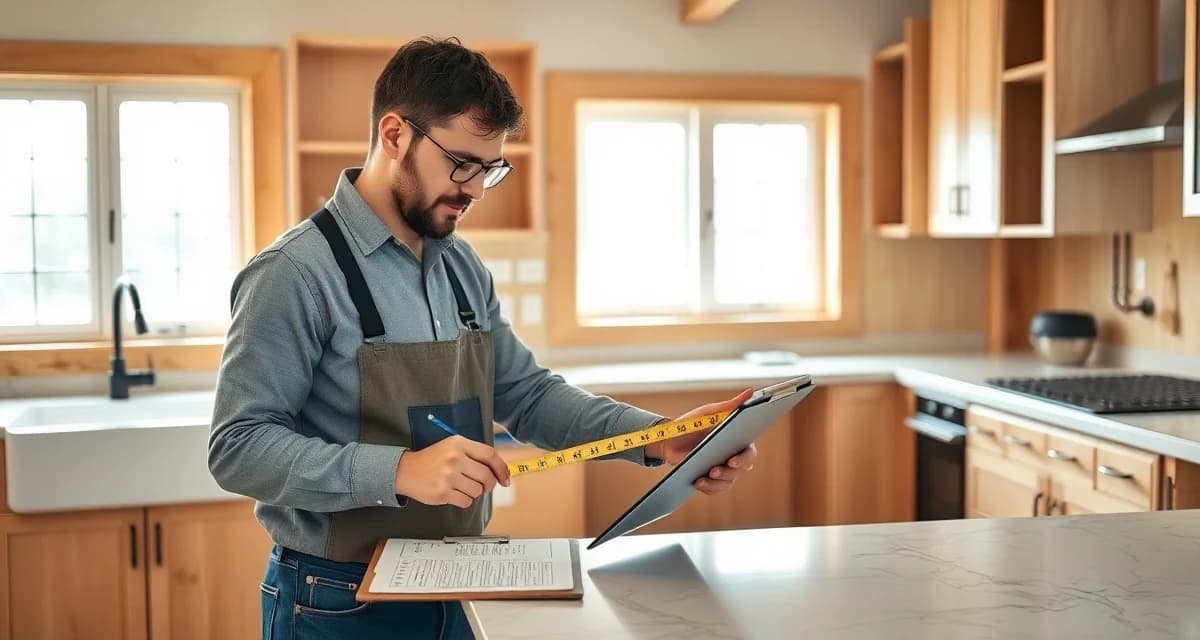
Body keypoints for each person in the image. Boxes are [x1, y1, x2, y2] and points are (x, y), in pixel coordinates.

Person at [208, 36, 758, 640]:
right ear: (394, 136)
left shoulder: (462, 268)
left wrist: (660, 439)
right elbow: (238, 446)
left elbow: (527, 396)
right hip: (335, 600)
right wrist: (398, 471)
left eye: (489, 169)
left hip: (460, 586)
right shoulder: (294, 273)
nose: (473, 188)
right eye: (461, 163)